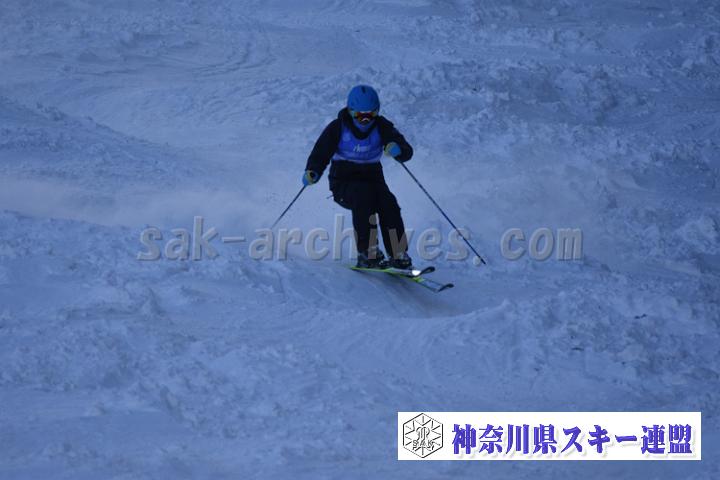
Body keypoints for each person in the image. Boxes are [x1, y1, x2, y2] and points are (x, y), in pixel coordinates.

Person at [302, 85, 414, 269]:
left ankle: (398, 253)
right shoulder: (338, 128)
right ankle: (368, 252)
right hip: (343, 181)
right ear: (350, 111)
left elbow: (406, 151)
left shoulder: (382, 127)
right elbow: (320, 153)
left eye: (370, 115)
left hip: (373, 177)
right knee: (363, 196)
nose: (365, 120)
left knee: (389, 203)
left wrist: (398, 150)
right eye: (359, 115)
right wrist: (312, 171)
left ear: (377, 112)